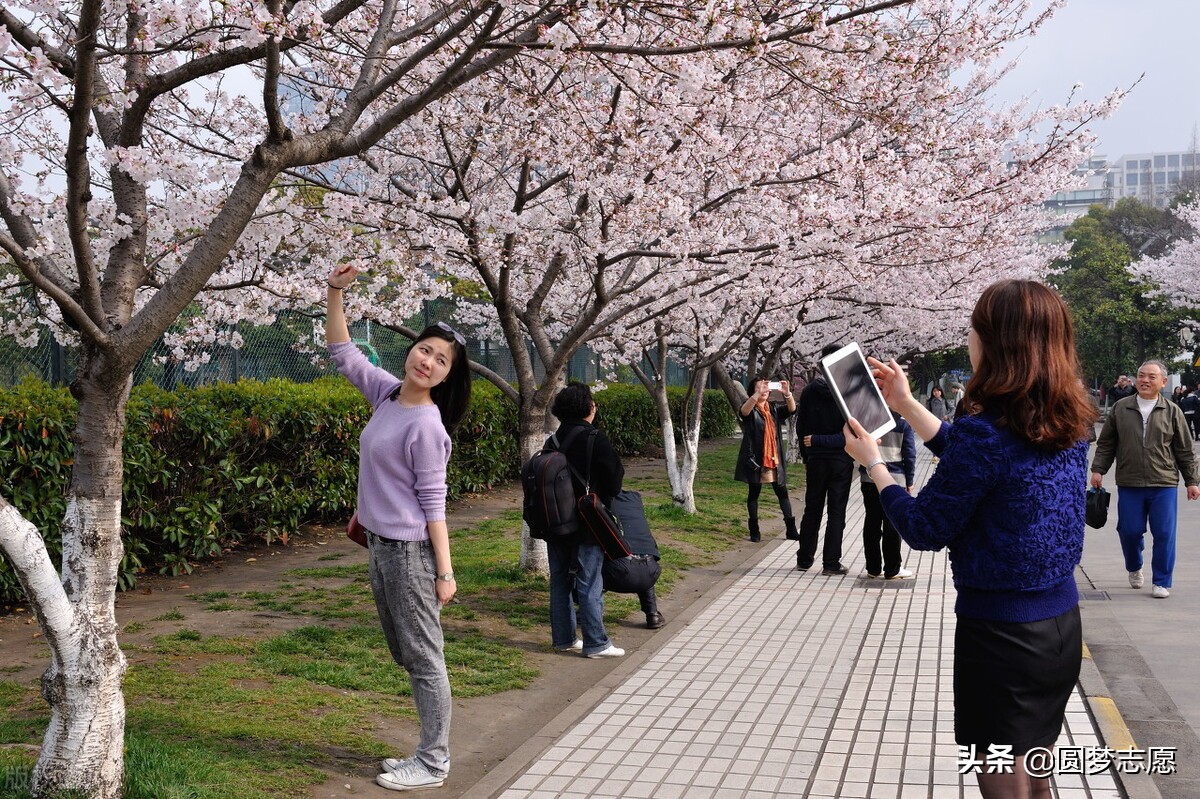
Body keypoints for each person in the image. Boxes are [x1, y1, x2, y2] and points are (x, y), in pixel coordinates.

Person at [842, 279, 1096, 799]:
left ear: (996, 342)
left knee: (1003, 780)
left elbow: (924, 528)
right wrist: (908, 406)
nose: (968, 339)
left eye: (975, 329)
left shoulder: (989, 432)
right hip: (1060, 628)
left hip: (1002, 637)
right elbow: (984, 459)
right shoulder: (1066, 420)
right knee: (1037, 775)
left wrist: (875, 465)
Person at [325, 264, 472, 792]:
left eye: (441, 359)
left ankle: (434, 763)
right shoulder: (388, 395)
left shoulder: (427, 426)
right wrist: (336, 291)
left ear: (449, 374)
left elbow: (435, 504)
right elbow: (344, 352)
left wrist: (445, 573)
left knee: (424, 658)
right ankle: (426, 752)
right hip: (382, 549)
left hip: (410, 553)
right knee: (407, 653)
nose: (427, 360)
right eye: (425, 349)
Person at [1090, 361, 1200, 599]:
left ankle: (1161, 581)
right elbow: (1107, 443)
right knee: (1129, 531)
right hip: (1129, 482)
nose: (1145, 380)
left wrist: (1192, 480)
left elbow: (1185, 449)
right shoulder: (1121, 408)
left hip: (1164, 482)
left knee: (1164, 533)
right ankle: (1134, 566)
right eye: (1141, 375)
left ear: (1163, 382)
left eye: (1152, 377)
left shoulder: (1172, 411)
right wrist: (1098, 469)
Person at [544, 383, 631, 656]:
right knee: (589, 579)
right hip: (587, 522)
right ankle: (596, 642)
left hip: (555, 522)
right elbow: (614, 481)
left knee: (559, 580)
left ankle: (564, 639)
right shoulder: (595, 438)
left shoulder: (552, 441)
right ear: (587, 407)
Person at [795, 344, 855, 575]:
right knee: (836, 512)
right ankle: (831, 563)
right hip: (841, 458)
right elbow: (854, 428)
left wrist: (806, 454)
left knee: (813, 509)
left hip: (816, 459)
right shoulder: (848, 391)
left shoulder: (810, 390)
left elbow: (801, 426)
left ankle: (804, 558)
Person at [734, 376, 798, 543]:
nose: (764, 390)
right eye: (760, 387)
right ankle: (754, 530)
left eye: (766, 387)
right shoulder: (751, 408)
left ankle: (791, 529)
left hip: (773, 458)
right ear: (753, 391)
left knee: (782, 492)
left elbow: (791, 410)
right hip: (756, 459)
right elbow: (744, 412)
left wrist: (787, 393)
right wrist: (756, 394)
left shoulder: (773, 408)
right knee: (754, 493)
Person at [858, 409, 916, 579]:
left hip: (869, 477)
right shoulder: (903, 424)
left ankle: (873, 568)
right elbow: (909, 454)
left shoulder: (868, 420)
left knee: (871, 521)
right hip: (894, 479)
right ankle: (892, 568)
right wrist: (909, 480)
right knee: (892, 523)